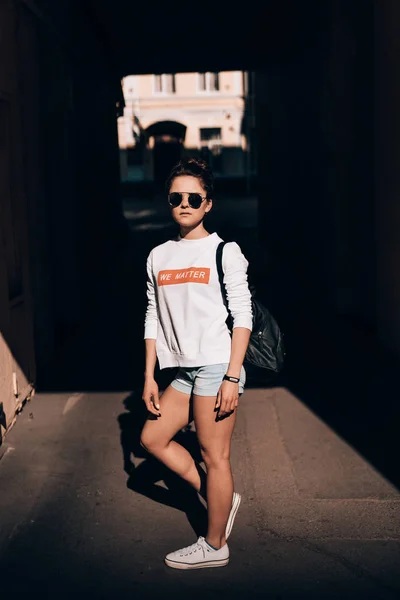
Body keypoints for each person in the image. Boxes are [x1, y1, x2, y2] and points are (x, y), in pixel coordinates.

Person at [140, 157, 253, 570]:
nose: (184, 204)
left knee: (213, 454)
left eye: (193, 198)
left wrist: (231, 375)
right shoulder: (158, 256)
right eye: (176, 197)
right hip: (181, 369)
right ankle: (219, 494)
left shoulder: (224, 251)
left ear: (208, 204)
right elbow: (152, 314)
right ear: (168, 202)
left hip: (216, 363)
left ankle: (215, 543)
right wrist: (150, 374)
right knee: (152, 439)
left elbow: (243, 316)